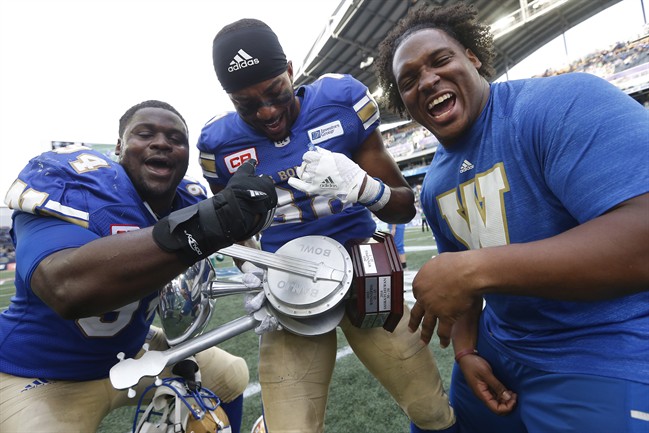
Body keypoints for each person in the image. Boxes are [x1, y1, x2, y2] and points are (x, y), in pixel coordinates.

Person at [375, 3, 649, 433]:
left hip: (600, 349)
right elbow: (464, 294)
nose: (427, 80)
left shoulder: (560, 101)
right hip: (499, 349)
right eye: (408, 81)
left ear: (472, 56)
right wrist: (465, 351)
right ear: (404, 104)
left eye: (440, 60)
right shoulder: (434, 182)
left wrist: (472, 270)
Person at [197, 18, 457, 433]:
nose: (266, 111)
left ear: (291, 71)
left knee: (431, 409)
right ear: (229, 98)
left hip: (363, 270)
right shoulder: (217, 144)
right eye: (247, 104)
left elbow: (404, 207)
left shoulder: (341, 101)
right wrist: (252, 266)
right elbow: (231, 222)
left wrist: (366, 189)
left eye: (275, 92)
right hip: (287, 283)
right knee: (291, 428)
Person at [0, 100, 277, 433]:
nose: (161, 143)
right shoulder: (74, 183)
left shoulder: (189, 199)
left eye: (176, 139)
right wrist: (201, 227)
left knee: (230, 375)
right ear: (119, 147)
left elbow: (232, 237)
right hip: (37, 371)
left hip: (134, 349)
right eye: (145, 134)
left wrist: (257, 270)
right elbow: (66, 289)